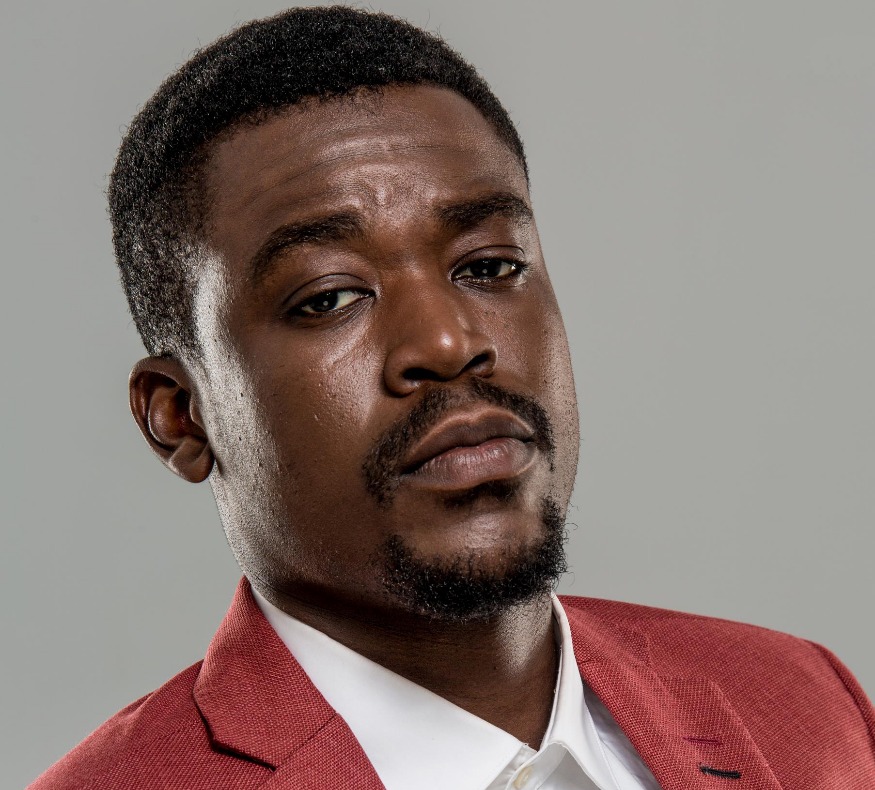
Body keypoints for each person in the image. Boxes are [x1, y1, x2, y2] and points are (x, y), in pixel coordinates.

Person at [30, 6, 875, 789]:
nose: (446, 342)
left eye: (489, 266)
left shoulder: (807, 707)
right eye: (328, 297)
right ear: (180, 417)